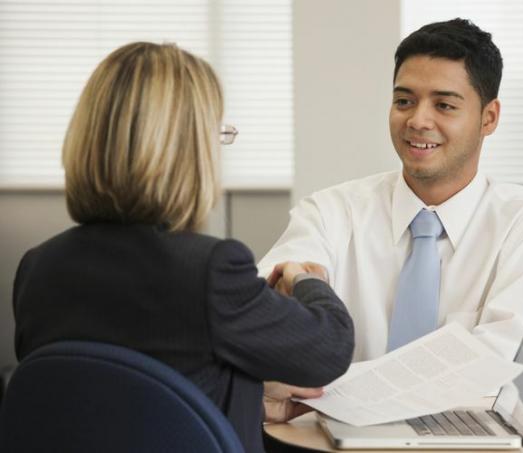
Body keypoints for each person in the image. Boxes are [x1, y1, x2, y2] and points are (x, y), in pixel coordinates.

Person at [12, 42, 354, 453]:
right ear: (189, 152)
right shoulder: (209, 269)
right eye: (218, 135)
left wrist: (250, 399)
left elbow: (111, 404)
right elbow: (330, 349)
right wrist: (305, 280)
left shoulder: (38, 269)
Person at [260, 18, 523, 361]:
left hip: (469, 414)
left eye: (444, 105)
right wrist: (289, 288)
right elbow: (260, 310)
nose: (417, 121)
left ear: (489, 118)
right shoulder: (329, 213)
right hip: (334, 416)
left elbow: (504, 367)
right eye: (404, 101)